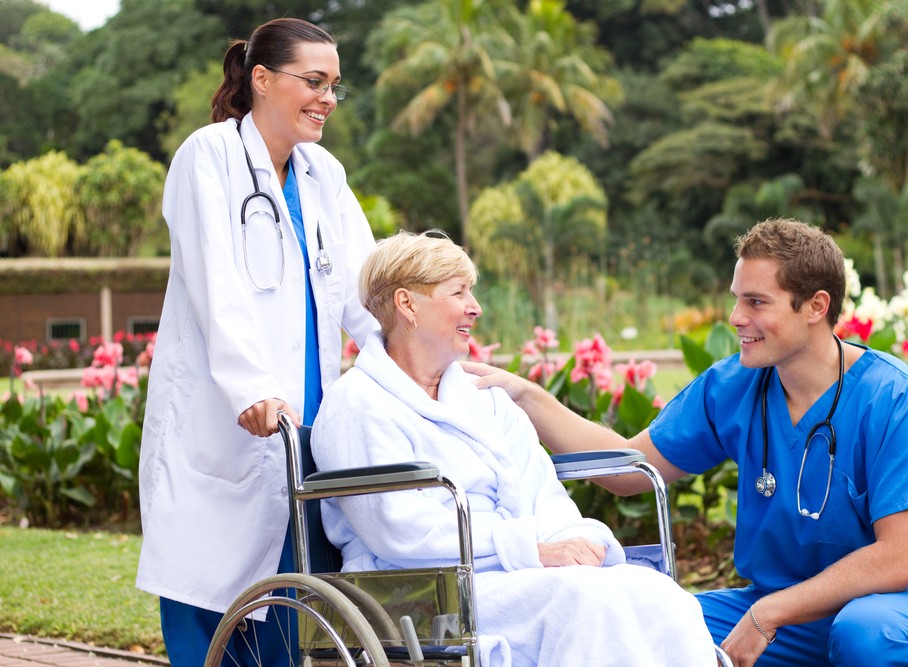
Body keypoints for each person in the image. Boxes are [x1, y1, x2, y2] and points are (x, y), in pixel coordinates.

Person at [464, 218, 908, 667]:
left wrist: (769, 612)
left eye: (756, 302)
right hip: (784, 611)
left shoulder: (897, 397)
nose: (735, 318)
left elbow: (902, 559)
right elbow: (627, 470)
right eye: (736, 298)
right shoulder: (732, 386)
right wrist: (527, 396)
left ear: (816, 306)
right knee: (646, 627)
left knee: (865, 636)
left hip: (904, 605)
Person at [311, 231, 719, 667]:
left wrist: (574, 542)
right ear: (407, 304)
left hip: (507, 573)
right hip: (419, 590)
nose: (476, 307)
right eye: (458, 293)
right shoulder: (355, 404)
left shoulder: (483, 398)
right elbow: (401, 532)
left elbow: (542, 492)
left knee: (659, 595)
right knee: (581, 601)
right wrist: (530, 550)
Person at [135, 18, 378, 665]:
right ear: (263, 80)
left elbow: (362, 286)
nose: (327, 98)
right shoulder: (207, 157)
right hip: (230, 420)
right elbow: (217, 284)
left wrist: (412, 360)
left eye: (334, 86)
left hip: (307, 426)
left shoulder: (324, 173)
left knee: (292, 616)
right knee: (209, 607)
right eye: (314, 82)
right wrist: (253, 389)